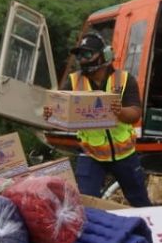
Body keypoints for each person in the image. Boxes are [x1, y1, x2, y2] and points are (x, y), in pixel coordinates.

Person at [44, 32, 152, 207]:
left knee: (140, 201)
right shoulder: (74, 81)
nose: (83, 60)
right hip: (91, 153)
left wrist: (120, 112)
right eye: (79, 55)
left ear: (105, 55)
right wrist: (51, 114)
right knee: (86, 203)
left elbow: (135, 113)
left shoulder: (125, 80)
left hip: (124, 154)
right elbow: (60, 110)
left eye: (87, 54)